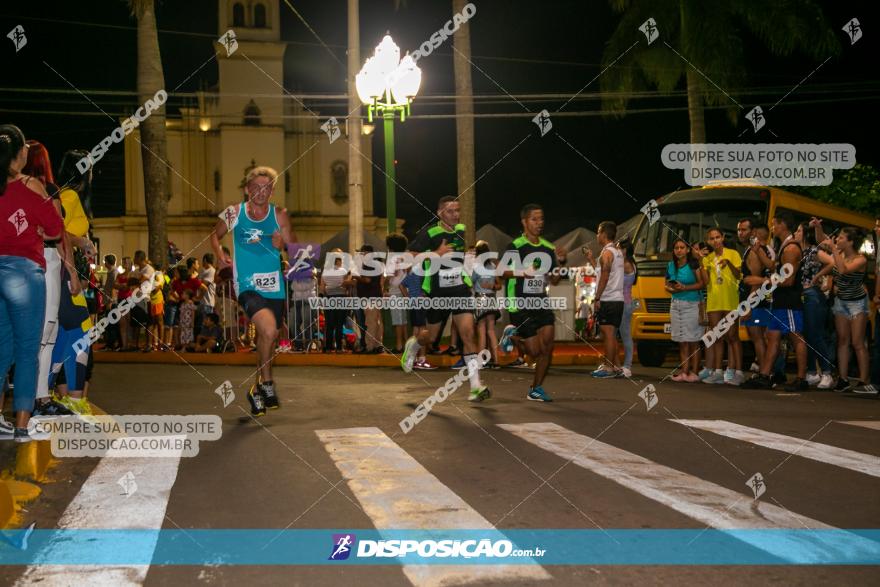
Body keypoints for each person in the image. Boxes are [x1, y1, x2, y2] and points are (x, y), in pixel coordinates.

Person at [211, 166, 294, 416]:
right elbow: (215, 235)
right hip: (247, 283)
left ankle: (256, 390)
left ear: (272, 191)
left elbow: (293, 245)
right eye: (256, 187)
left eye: (266, 187)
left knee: (267, 338)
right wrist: (220, 255)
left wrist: (284, 243)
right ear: (247, 189)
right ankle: (267, 383)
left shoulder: (279, 215)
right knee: (269, 330)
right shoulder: (234, 212)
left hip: (274, 285)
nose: (261, 191)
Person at [0, 124, 65, 441]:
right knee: (27, 351)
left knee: (0, 350)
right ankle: (22, 425)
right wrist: (37, 231)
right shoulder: (32, 185)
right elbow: (55, 229)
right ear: (19, 153)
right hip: (24, 273)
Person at [400, 196, 490, 402]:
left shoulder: (460, 230)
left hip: (459, 291)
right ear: (440, 213)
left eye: (457, 210)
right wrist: (435, 253)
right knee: (429, 339)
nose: (455, 214)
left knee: (468, 335)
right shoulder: (430, 233)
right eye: (450, 211)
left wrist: (468, 261)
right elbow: (409, 256)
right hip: (437, 293)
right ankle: (413, 345)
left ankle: (476, 386)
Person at [498, 204, 566, 400]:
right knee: (534, 351)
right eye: (534, 219)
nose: (539, 223)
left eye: (541, 219)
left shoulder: (548, 247)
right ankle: (512, 337)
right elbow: (501, 271)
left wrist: (560, 262)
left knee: (548, 347)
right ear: (525, 222)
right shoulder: (516, 246)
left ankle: (535, 389)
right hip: (519, 303)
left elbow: (554, 280)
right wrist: (522, 272)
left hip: (540, 302)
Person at [745, 211, 808, 391]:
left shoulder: (790, 248)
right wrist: (758, 251)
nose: (772, 228)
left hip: (789, 300)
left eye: (774, 224)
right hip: (780, 300)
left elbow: (787, 280)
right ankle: (765, 375)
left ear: (783, 224)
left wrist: (761, 281)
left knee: (796, 338)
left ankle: (801, 378)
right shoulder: (784, 246)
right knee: (772, 336)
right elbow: (775, 267)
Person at [818, 226, 873, 394]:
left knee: (857, 342)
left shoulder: (861, 259)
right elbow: (822, 240)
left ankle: (864, 381)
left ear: (850, 242)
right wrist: (818, 228)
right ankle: (843, 379)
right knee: (842, 341)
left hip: (857, 303)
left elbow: (843, 270)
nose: (837, 240)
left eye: (841, 238)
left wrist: (833, 249)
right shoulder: (838, 254)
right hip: (841, 302)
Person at [49, 237, 94, 415]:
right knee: (78, 337)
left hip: (49, 290)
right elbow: (61, 233)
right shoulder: (54, 220)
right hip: (64, 293)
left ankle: (42, 399)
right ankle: (74, 401)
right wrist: (82, 243)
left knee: (54, 348)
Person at [701, 227, 744, 385]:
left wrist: (729, 264)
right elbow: (705, 282)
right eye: (712, 239)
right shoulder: (708, 258)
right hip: (714, 302)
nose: (715, 241)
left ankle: (738, 373)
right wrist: (701, 262)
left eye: (717, 237)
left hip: (731, 301)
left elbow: (739, 275)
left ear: (723, 237)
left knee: (732, 336)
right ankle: (718, 372)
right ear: (708, 241)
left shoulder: (733, 254)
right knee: (717, 336)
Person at [798, 220, 835, 388]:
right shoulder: (801, 252)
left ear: (805, 234)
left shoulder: (813, 251)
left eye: (798, 231)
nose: (795, 234)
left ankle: (827, 372)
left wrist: (816, 277)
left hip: (813, 295)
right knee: (808, 336)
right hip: (805, 295)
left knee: (816, 335)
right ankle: (812, 371)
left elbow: (832, 263)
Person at [666, 238, 706, 381]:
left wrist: (684, 288)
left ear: (688, 250)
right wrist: (671, 288)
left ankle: (694, 372)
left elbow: (702, 284)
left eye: (682, 247)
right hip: (676, 304)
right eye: (676, 248)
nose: (679, 250)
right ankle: (684, 371)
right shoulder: (671, 265)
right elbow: (666, 284)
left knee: (693, 340)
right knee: (681, 340)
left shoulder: (693, 264)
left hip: (692, 304)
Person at [740, 223, 776, 379]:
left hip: (756, 301)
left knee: (758, 338)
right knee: (760, 337)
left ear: (754, 232)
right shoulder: (766, 250)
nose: (741, 233)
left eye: (745, 230)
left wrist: (748, 305)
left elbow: (755, 281)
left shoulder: (755, 252)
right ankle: (766, 371)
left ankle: (764, 373)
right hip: (762, 300)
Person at [591, 221, 625, 378]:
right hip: (617, 298)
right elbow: (602, 273)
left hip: (609, 298)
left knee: (608, 333)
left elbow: (604, 277)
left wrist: (597, 297)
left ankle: (609, 367)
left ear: (604, 234)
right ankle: (617, 366)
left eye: (598, 232)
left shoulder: (607, 254)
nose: (597, 235)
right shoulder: (617, 251)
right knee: (610, 333)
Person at [472, 240, 501, 369]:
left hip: (480, 299)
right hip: (492, 298)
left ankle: (481, 361)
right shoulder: (493, 267)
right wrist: (492, 286)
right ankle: (496, 360)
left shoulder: (477, 267)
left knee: (481, 331)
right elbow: (499, 285)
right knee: (491, 331)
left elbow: (471, 282)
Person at [400, 259, 434, 369]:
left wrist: (408, 298)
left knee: (416, 329)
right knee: (423, 329)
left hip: (414, 304)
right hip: (420, 303)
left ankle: (412, 358)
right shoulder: (419, 272)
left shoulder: (411, 273)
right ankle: (421, 359)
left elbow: (401, 285)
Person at [320, 248, 353, 353]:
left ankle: (329, 347)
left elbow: (322, 287)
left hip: (329, 298)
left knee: (329, 324)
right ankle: (339, 347)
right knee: (339, 324)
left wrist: (326, 295)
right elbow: (345, 285)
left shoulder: (325, 271)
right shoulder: (343, 271)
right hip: (341, 298)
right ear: (337, 260)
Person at [353, 244, 385, 353]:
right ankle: (377, 345)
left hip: (370, 297)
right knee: (376, 322)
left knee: (370, 322)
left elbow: (367, 280)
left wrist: (356, 276)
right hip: (375, 296)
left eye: (362, 252)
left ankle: (370, 346)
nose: (361, 254)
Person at [618, 239, 637, 378]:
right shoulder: (630, 263)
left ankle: (627, 366)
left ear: (625, 250)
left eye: (619, 248)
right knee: (622, 334)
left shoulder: (625, 264)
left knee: (625, 335)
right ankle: (623, 365)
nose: (617, 251)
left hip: (624, 303)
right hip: (626, 302)